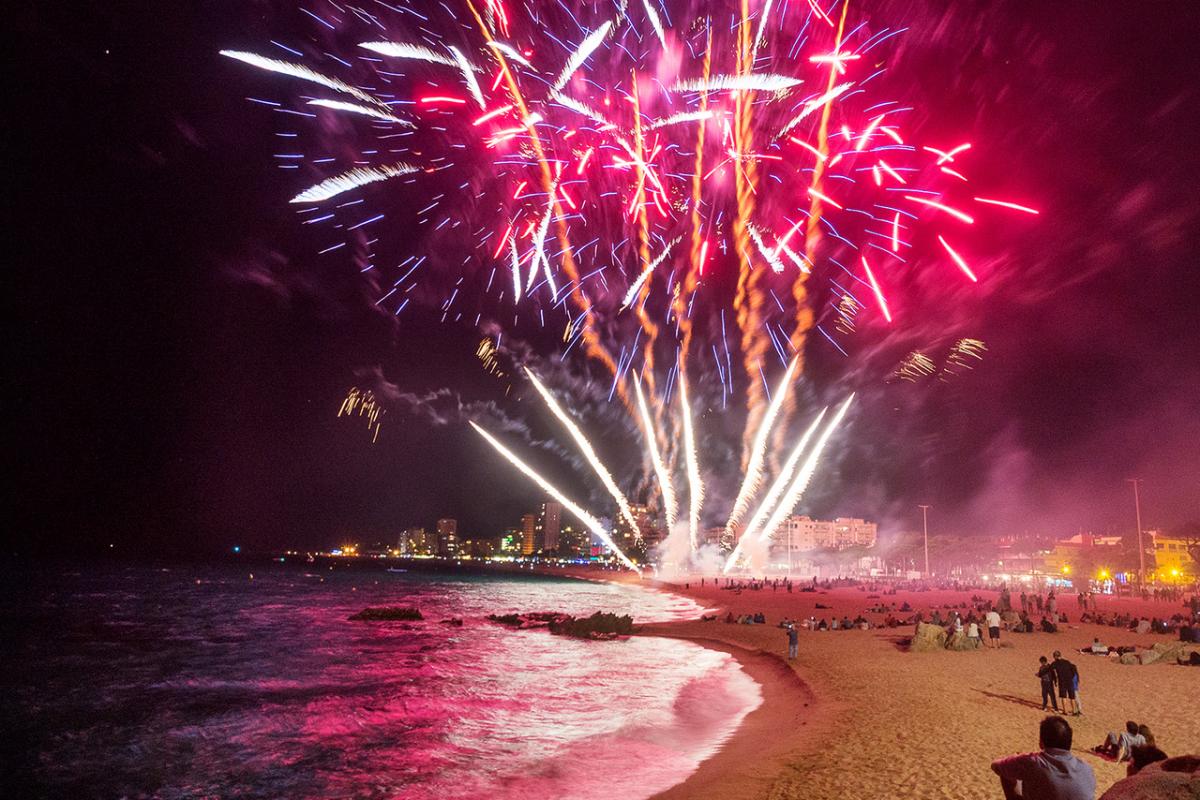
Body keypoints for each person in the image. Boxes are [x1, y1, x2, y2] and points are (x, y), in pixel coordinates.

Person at [991, 716, 1096, 800]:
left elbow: (996, 765)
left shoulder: (1034, 762)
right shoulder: (1087, 768)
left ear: (1041, 743)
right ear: (1069, 743)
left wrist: (1016, 758)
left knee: (1007, 772)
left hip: (1029, 767)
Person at [1050, 651, 1079, 716]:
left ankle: (1065, 711)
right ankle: (1074, 711)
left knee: (1063, 696)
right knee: (1072, 696)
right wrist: (1071, 677)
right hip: (1069, 681)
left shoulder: (1055, 663)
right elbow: (1073, 670)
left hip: (1062, 681)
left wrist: (1055, 679)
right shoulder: (1067, 662)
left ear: (1055, 656)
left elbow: (1050, 670)